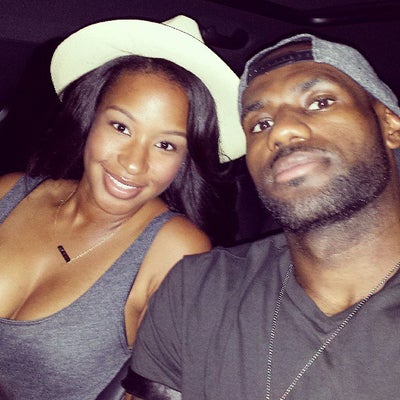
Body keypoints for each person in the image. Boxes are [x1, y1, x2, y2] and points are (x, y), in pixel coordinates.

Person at [122, 33, 400, 399]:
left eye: (320, 102)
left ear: (389, 126)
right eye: (260, 124)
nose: (281, 129)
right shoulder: (198, 291)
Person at [0, 15, 246, 400]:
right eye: (121, 127)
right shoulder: (10, 192)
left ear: (185, 159)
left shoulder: (175, 249)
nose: (133, 163)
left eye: (165, 145)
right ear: (91, 117)